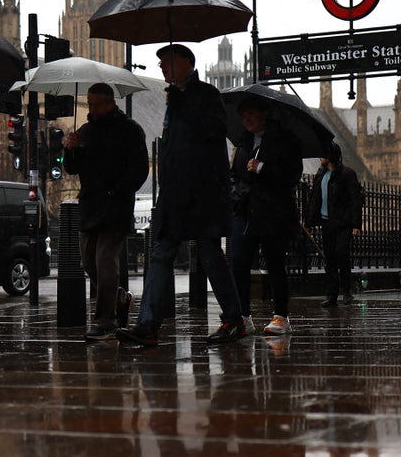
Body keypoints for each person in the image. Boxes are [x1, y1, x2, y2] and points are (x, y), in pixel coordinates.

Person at [117, 43, 246, 347]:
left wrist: (183, 103)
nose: (161, 67)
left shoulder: (207, 95)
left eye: (166, 62)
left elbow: (212, 133)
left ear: (185, 62)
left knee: (211, 256)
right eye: (160, 63)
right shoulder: (173, 100)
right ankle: (148, 324)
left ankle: (234, 319)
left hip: (202, 194)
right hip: (174, 194)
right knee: (160, 254)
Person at [63, 82, 149, 341]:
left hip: (115, 206)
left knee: (105, 261)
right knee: (88, 263)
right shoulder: (85, 131)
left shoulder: (129, 130)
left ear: (111, 102)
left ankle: (105, 320)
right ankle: (119, 298)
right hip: (90, 206)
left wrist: (117, 191)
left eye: (96, 104)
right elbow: (71, 169)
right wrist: (71, 148)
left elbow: (140, 169)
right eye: (88, 104)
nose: (91, 109)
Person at [228, 96, 303, 336]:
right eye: (243, 116)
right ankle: (243, 315)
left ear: (264, 114)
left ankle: (281, 316)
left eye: (250, 113)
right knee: (238, 262)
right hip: (245, 210)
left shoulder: (284, 141)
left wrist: (261, 168)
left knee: (274, 263)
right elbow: (235, 176)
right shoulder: (243, 142)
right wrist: (235, 195)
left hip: (273, 211)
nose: (246, 119)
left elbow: (292, 176)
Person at [306, 142, 362, 307]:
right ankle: (332, 295)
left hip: (342, 222)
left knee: (342, 254)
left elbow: (355, 200)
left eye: (322, 154)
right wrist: (310, 219)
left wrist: (356, 224)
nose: (320, 157)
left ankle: (347, 291)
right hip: (327, 221)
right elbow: (315, 198)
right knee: (329, 258)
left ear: (330, 156)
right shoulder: (321, 174)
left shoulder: (347, 174)